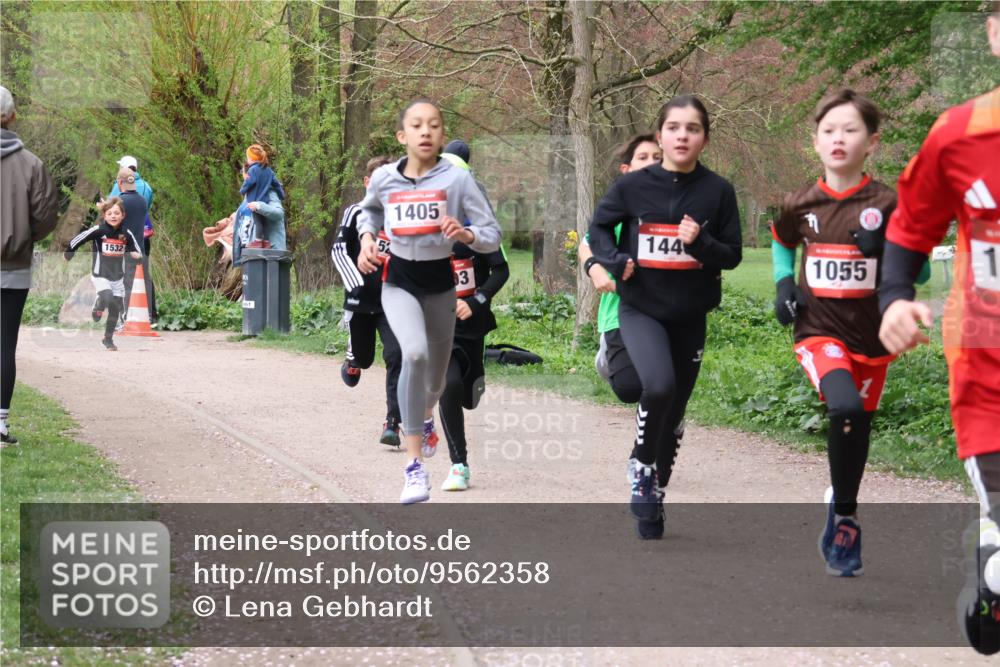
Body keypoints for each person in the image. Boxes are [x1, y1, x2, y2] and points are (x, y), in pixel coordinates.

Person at [878, 6, 1000, 653]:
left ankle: (991, 559)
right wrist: (895, 297)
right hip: (989, 368)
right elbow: (909, 228)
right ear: (993, 34)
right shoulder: (958, 136)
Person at [772, 89, 929, 577]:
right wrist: (782, 283)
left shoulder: (888, 202)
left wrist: (884, 244)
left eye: (850, 130)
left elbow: (919, 273)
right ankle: (845, 518)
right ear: (815, 142)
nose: (838, 138)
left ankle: (844, 511)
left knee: (855, 424)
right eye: (828, 131)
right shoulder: (801, 202)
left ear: (872, 142)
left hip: (873, 338)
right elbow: (782, 242)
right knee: (842, 406)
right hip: (818, 331)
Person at [588, 94, 742, 539]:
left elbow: (732, 255)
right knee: (658, 385)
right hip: (642, 308)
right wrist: (615, 259)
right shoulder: (634, 187)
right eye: (674, 128)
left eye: (692, 129)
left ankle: (655, 490)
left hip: (690, 313)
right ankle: (641, 464)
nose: (682, 135)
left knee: (673, 408)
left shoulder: (718, 192)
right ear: (661, 135)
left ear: (704, 139)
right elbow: (599, 227)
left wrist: (700, 245)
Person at [355, 97, 501, 504]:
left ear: (441, 136)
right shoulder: (385, 178)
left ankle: (424, 416)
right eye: (416, 125)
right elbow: (367, 213)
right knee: (413, 355)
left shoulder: (457, 182)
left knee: (436, 383)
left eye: (433, 125)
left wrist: (467, 235)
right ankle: (414, 468)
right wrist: (367, 240)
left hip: (441, 288)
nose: (425, 131)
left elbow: (492, 233)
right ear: (403, 136)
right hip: (398, 284)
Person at [435, 146, 510, 492]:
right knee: (447, 386)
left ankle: (475, 377)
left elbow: (501, 269)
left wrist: (478, 300)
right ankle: (459, 465)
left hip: (472, 321)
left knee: (469, 395)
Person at [579, 134, 662, 403]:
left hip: (665, 309)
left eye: (658, 158)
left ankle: (661, 423)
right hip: (620, 308)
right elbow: (585, 245)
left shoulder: (677, 207)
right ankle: (607, 357)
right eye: (643, 158)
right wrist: (596, 270)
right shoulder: (620, 208)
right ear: (626, 170)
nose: (652, 163)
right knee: (629, 389)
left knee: (660, 384)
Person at [0, 85, 59, 446]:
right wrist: (22, 236)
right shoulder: (32, 165)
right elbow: (46, 217)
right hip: (15, 266)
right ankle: (0, 424)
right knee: (5, 346)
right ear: (11, 115)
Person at [331, 155, 404, 447]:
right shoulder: (355, 212)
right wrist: (356, 283)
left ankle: (393, 423)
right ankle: (352, 360)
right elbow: (338, 250)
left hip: (392, 302)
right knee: (364, 359)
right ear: (367, 183)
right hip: (360, 301)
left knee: (397, 356)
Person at [64, 198, 142, 351]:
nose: (113, 216)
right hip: (100, 275)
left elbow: (135, 249)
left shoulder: (126, 233)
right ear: (105, 215)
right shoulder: (99, 230)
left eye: (117, 213)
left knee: (115, 307)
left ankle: (108, 339)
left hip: (118, 277)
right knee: (107, 296)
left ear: (123, 215)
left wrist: (137, 256)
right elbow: (80, 238)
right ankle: (98, 307)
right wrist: (69, 252)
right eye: (110, 213)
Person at [108, 155, 156, 320]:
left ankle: (125, 316)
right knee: (144, 277)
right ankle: (148, 314)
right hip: (142, 240)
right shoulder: (146, 191)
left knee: (125, 280)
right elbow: (145, 211)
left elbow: (112, 215)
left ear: (121, 181)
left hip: (125, 243)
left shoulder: (120, 197)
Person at [239, 144, 286, 251]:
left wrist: (258, 206)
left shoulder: (270, 194)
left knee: (258, 221)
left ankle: (260, 240)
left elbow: (278, 214)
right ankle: (260, 241)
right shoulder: (268, 172)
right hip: (255, 256)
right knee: (259, 221)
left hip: (272, 255)